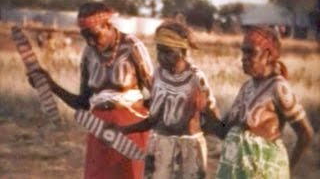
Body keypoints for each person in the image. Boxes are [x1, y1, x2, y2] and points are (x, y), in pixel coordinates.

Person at [29, 2, 154, 179]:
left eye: (94, 35)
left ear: (108, 25)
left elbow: (158, 95)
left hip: (131, 129)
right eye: (85, 36)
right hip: (100, 130)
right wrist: (51, 85)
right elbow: (82, 103)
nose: (90, 42)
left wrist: (135, 120)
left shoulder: (132, 47)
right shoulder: (88, 53)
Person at [119, 20, 222, 179]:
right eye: (159, 51)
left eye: (168, 52)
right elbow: (153, 119)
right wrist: (125, 129)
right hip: (160, 146)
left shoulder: (196, 78)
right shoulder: (158, 75)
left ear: (182, 51)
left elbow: (212, 115)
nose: (161, 57)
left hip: (189, 149)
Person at [216, 26, 314, 179]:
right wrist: (203, 109)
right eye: (243, 51)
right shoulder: (247, 87)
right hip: (236, 171)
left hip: (264, 172)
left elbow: (305, 133)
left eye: (251, 52)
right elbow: (224, 130)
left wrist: (286, 168)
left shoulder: (278, 87)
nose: (243, 57)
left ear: (268, 55)